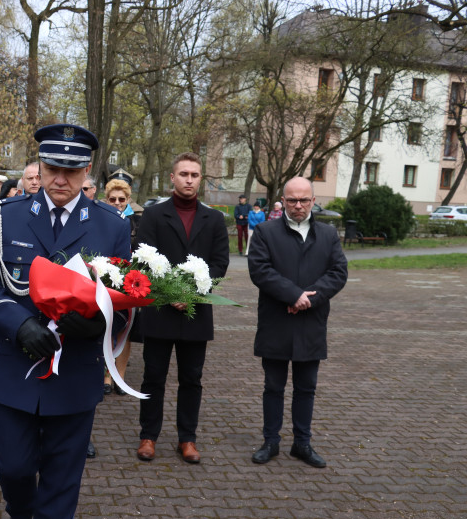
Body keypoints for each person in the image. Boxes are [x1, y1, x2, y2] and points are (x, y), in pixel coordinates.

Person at [0, 123, 130, 519]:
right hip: (15, 363)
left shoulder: (111, 225)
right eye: (52, 167)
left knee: (62, 476)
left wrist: (97, 324)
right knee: (11, 462)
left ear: (88, 172)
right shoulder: (7, 216)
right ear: (39, 166)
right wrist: (19, 326)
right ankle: (20, 512)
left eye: (71, 169)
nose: (60, 178)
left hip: (75, 373)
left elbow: (126, 298)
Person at [134, 152, 229, 464]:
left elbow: (219, 263)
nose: (189, 180)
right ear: (172, 178)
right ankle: (148, 436)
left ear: (200, 179)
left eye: (195, 175)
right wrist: (171, 292)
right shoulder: (153, 215)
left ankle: (187, 438)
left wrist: (190, 292)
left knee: (192, 378)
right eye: (184, 174)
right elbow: (143, 260)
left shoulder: (213, 219)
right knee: (153, 376)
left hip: (195, 312)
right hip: (160, 310)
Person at [247, 176, 347, 469]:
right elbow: (260, 270)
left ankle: (302, 443)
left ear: (314, 201)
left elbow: (338, 272)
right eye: (292, 200)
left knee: (307, 387)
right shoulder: (266, 232)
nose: (299, 205)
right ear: (283, 200)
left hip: (311, 322)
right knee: (273, 386)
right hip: (276, 320)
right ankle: (270, 442)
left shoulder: (328, 234)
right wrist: (293, 295)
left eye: (304, 200)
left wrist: (309, 300)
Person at [101, 178, 137, 398]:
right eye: (112, 199)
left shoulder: (136, 222)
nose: (117, 202)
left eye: (121, 199)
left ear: (128, 200)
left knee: (126, 330)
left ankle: (119, 376)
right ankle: (106, 375)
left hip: (131, 282)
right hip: (105, 282)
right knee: (106, 329)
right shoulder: (100, 221)